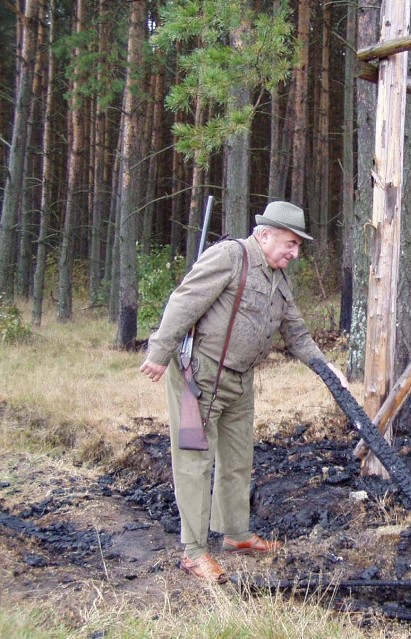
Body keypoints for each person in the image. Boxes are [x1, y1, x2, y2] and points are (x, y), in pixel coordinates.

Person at [140, 201, 347, 584]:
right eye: (290, 243)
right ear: (265, 234)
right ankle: (194, 552)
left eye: (299, 246)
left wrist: (327, 368)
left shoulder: (280, 278)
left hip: (240, 380)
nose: (295, 253)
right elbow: (184, 301)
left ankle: (236, 535)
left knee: (238, 459)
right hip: (199, 376)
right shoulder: (231, 257)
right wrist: (158, 351)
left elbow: (297, 332)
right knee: (195, 461)